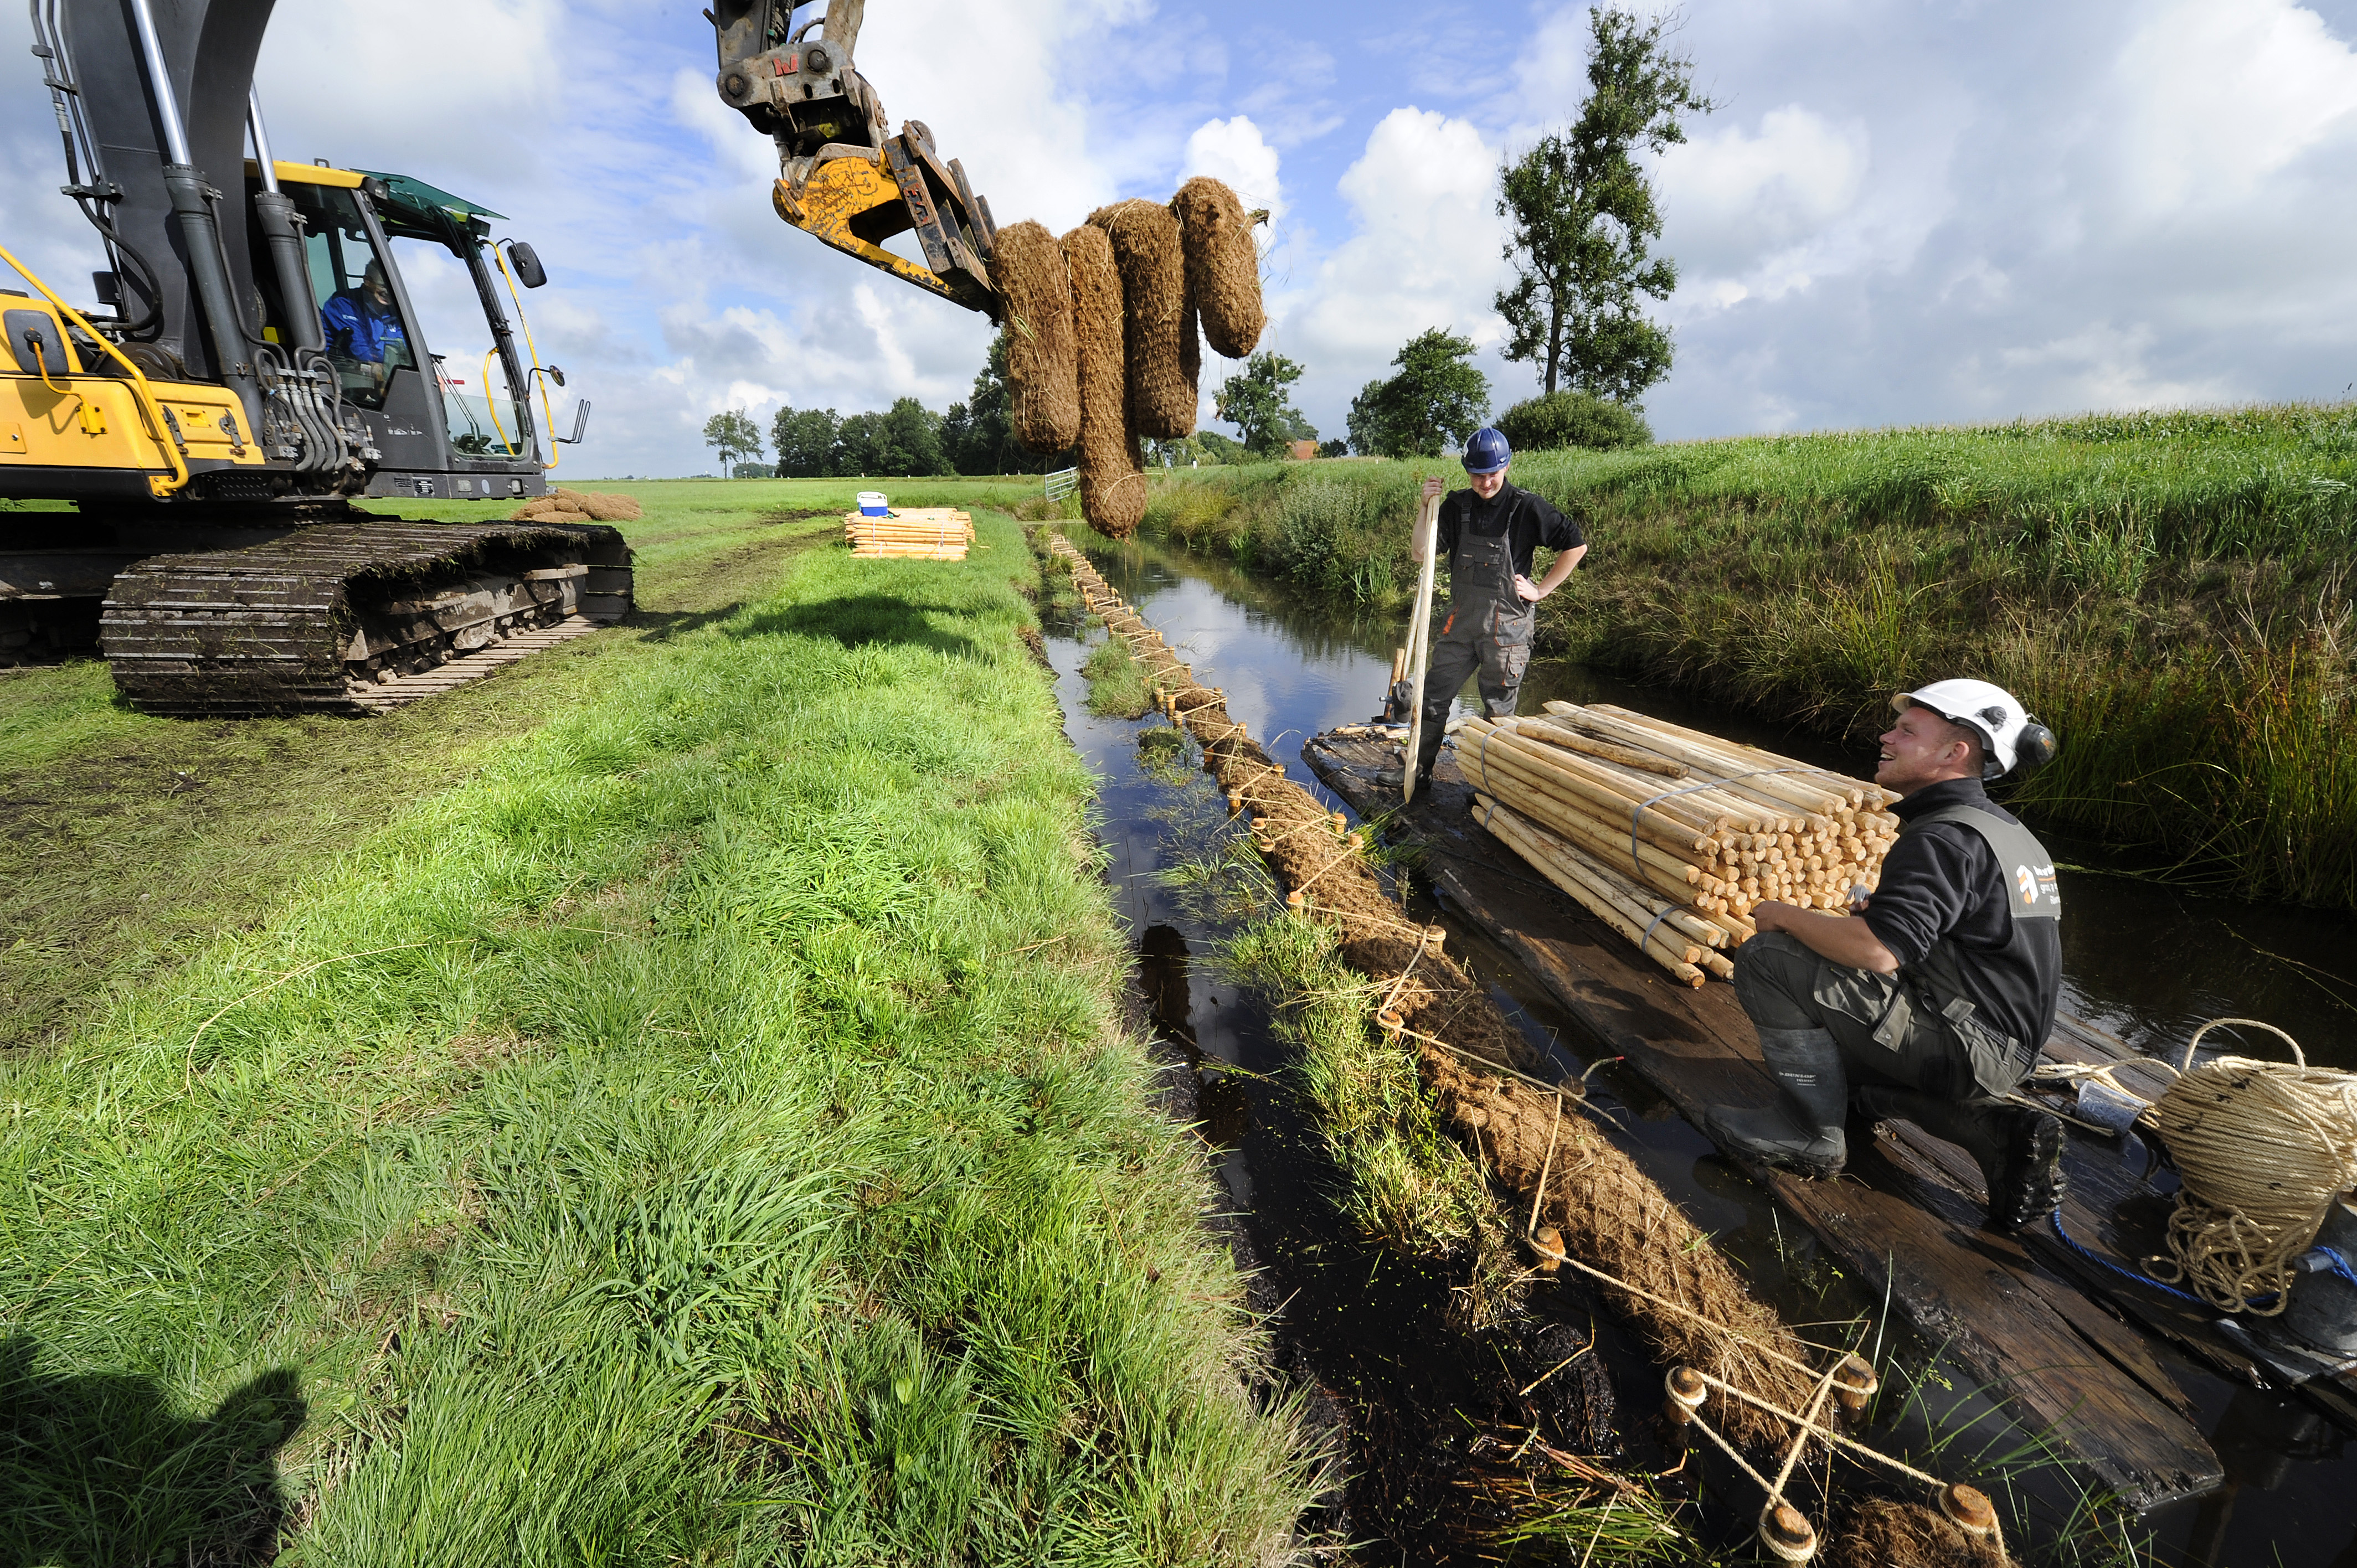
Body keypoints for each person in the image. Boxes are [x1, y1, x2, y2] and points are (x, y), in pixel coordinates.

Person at [1701, 679, 2068, 1232]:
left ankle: (1808, 1135)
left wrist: (1784, 914)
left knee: (1769, 956)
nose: (1885, 736)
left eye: (1906, 730)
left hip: (1968, 1044)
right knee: (1833, 1074)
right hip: (2004, 1043)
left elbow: (1877, 952)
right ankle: (1991, 1131)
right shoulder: (2002, 832)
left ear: (1954, 752)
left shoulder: (1940, 839)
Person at [1390, 426, 1587, 790]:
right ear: (1468, 471)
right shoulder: (1455, 506)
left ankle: (1488, 790)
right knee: (1432, 700)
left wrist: (1541, 590)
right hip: (1460, 626)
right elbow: (1421, 554)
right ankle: (1418, 772)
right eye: (1478, 475)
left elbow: (1576, 545)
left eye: (1492, 474)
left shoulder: (1527, 507)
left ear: (1507, 466)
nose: (1485, 482)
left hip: (1508, 633)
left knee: (1498, 715)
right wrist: (1423, 508)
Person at [319, 260, 408, 386]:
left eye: (392, 287)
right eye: (383, 286)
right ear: (367, 282)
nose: (388, 292)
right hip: (337, 375)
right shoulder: (344, 303)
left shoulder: (395, 313)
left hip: (378, 374)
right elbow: (362, 353)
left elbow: (404, 350)